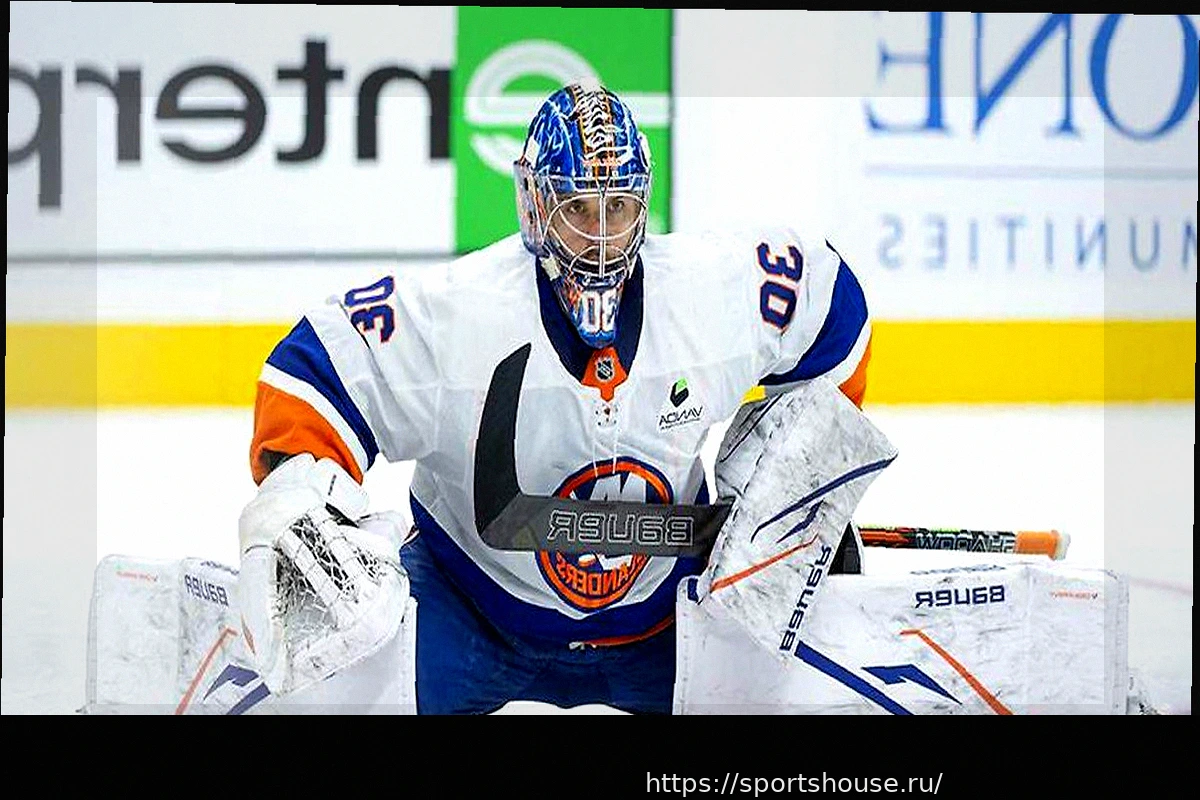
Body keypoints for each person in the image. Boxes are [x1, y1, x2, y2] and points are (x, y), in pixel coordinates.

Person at [243, 80, 873, 714]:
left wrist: (793, 488)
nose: (600, 238)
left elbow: (830, 302)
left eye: (617, 208)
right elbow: (314, 372)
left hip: (672, 622)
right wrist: (300, 495)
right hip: (468, 615)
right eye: (577, 209)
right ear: (536, 205)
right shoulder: (460, 315)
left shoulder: (707, 295)